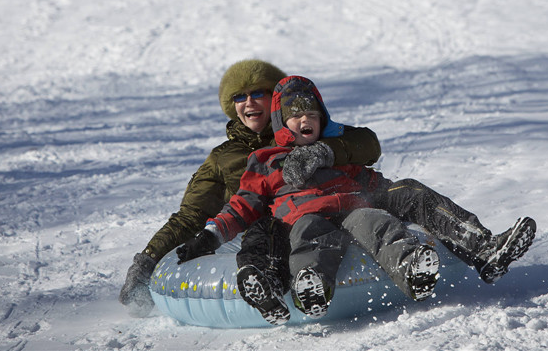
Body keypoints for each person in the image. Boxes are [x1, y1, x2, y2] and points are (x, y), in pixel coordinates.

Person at [118, 59, 382, 315]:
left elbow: (367, 143)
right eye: (239, 97)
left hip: (321, 225)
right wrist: (149, 259)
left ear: (276, 97)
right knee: (264, 230)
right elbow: (191, 215)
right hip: (265, 237)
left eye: (257, 93)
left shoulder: (305, 128)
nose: (249, 102)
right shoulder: (223, 157)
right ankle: (265, 287)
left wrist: (324, 151)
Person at [175, 75, 442, 324]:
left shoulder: (332, 149)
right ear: (281, 122)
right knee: (308, 235)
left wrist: (391, 194)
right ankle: (312, 286)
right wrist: (212, 235)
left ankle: (411, 269)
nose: (305, 121)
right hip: (303, 215)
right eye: (297, 116)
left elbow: (366, 171)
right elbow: (243, 205)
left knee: (376, 221)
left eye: (312, 115)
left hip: (350, 207)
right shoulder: (267, 161)